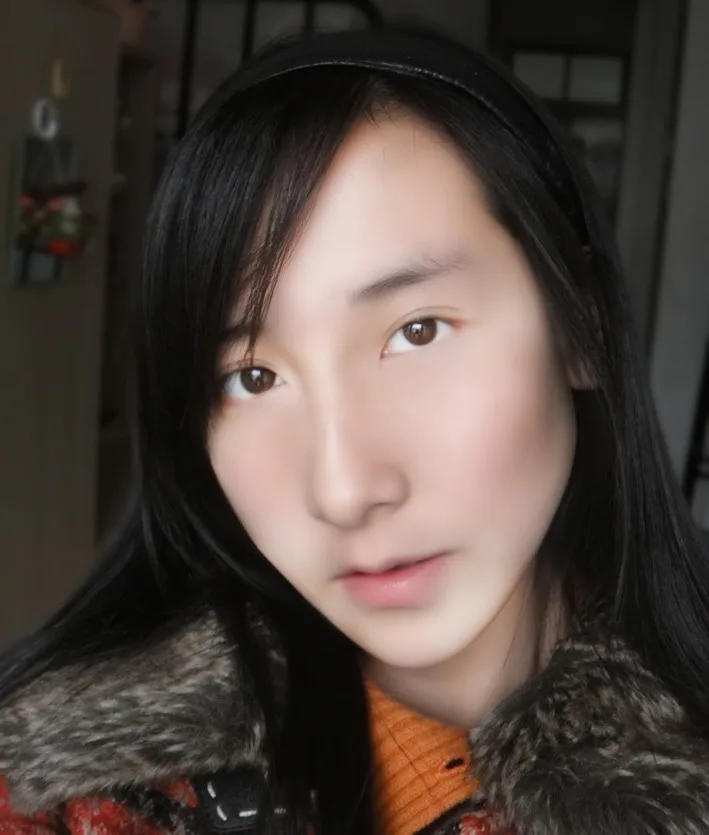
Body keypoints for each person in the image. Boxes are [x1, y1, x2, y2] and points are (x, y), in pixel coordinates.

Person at [1, 25, 709, 835]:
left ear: (580, 325)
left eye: (417, 331)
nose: (343, 489)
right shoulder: (73, 789)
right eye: (252, 377)